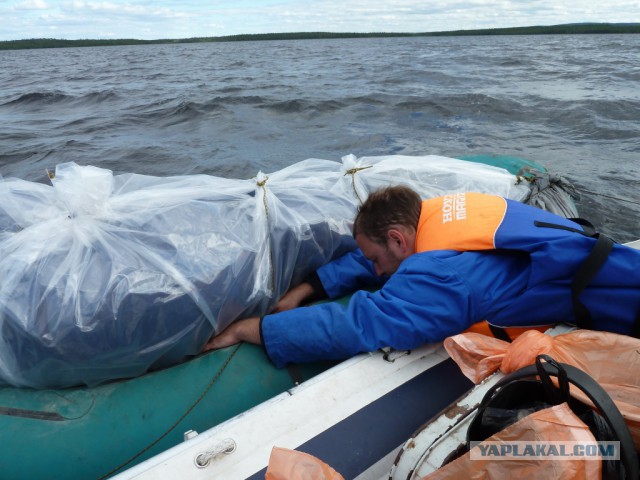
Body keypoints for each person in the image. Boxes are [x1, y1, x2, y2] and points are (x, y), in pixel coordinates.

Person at [204, 186, 640, 368]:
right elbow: (375, 258)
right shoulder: (438, 214)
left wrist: (253, 328)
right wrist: (308, 287)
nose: (373, 269)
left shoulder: (440, 275)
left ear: (397, 238)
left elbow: (359, 325)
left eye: (375, 256)